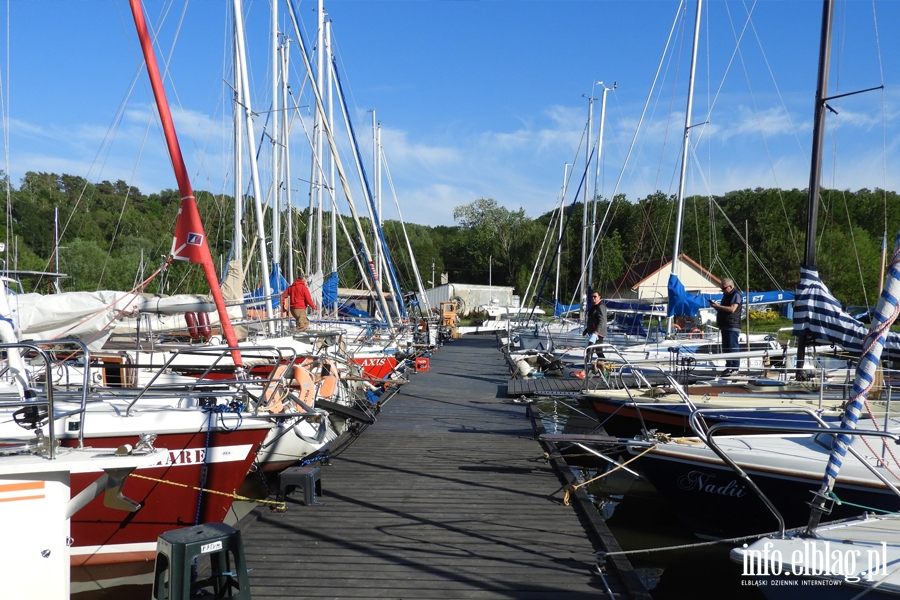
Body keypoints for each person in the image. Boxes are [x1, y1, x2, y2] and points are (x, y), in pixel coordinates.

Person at [710, 278, 742, 375]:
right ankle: (729, 367)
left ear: (730, 287)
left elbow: (732, 309)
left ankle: (735, 368)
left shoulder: (736, 295)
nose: (723, 291)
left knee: (733, 347)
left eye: (724, 288)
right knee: (726, 348)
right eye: (722, 289)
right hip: (725, 325)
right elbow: (724, 309)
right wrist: (717, 307)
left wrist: (718, 307)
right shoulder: (726, 295)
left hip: (732, 325)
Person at [583, 290, 607, 358]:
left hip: (597, 333)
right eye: (592, 297)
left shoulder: (600, 306)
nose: (593, 298)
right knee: (598, 350)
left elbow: (602, 320)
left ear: (599, 297)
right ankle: (603, 365)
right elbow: (592, 320)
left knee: (589, 350)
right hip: (594, 332)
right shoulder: (594, 306)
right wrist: (586, 330)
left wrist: (597, 332)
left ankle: (587, 366)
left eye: (595, 296)